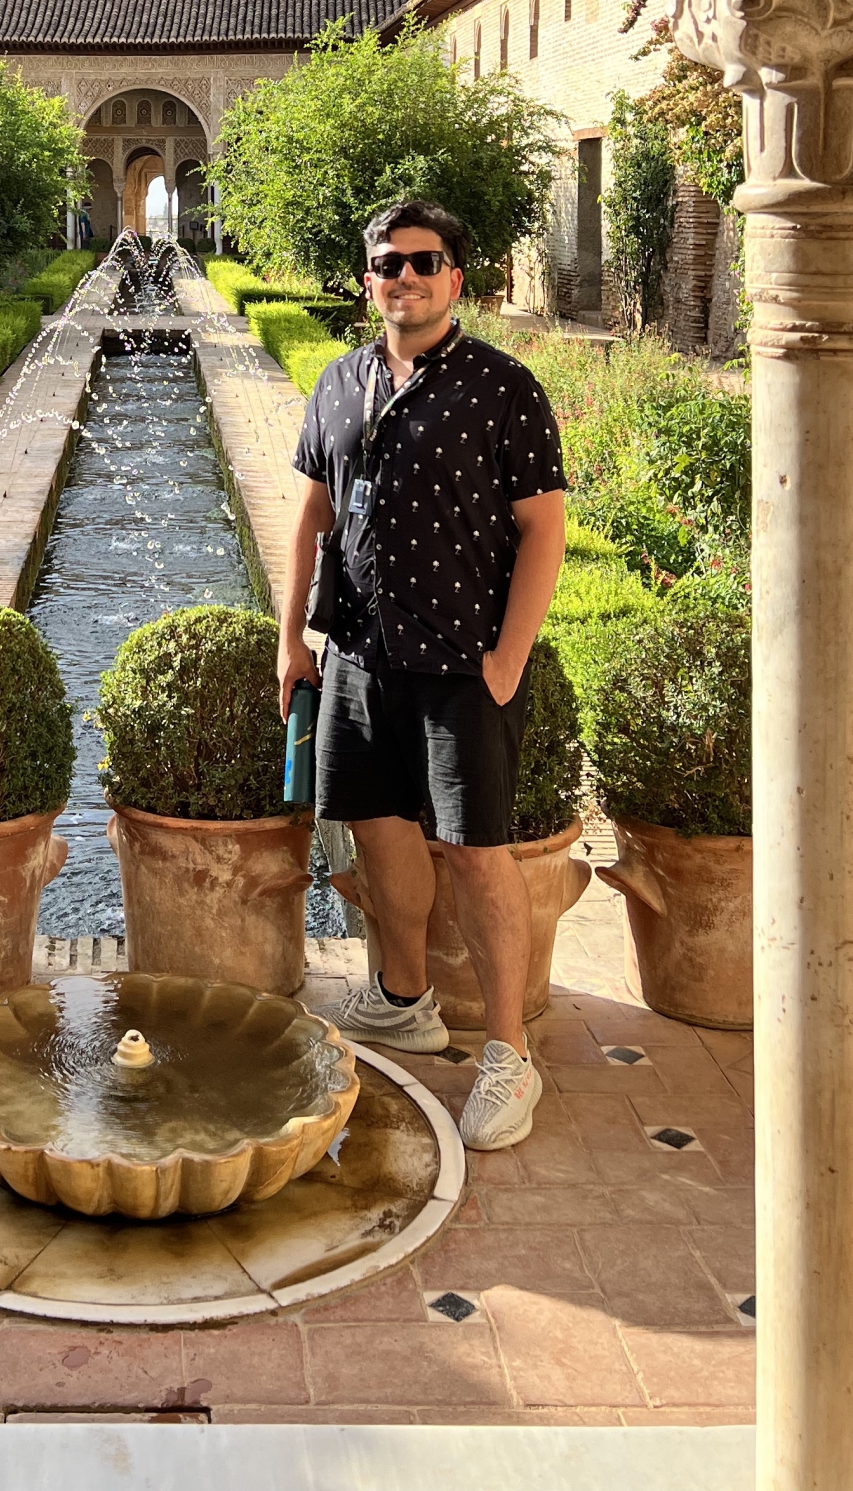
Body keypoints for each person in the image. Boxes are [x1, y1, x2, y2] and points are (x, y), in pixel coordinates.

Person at [277, 198, 567, 1151]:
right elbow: (314, 516)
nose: (403, 276)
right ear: (368, 280)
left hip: (459, 665)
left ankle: (509, 1054)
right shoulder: (340, 382)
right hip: (359, 655)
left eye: (423, 261)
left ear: (456, 278)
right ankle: (404, 999)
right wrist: (293, 641)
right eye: (386, 264)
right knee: (381, 835)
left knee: (477, 855)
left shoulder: (501, 388)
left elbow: (542, 530)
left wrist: (507, 661)